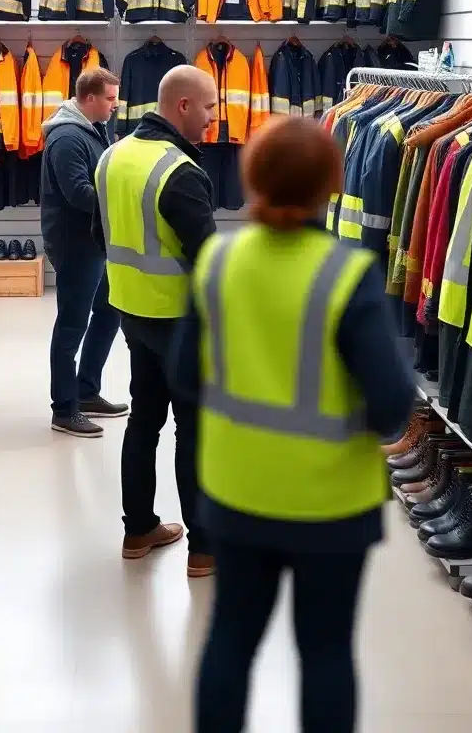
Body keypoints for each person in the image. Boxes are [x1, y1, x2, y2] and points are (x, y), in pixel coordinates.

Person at [172, 116, 416, 733]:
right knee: (326, 652)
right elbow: (392, 403)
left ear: (251, 177)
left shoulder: (218, 262)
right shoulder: (347, 273)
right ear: (331, 184)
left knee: (230, 639)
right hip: (331, 504)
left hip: (237, 493)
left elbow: (184, 375)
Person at [93, 64, 219, 577]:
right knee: (195, 430)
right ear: (182, 105)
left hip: (131, 310)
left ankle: (138, 530)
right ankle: (205, 548)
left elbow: (103, 234)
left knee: (144, 420)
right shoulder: (178, 171)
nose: (213, 118)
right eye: (209, 107)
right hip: (179, 319)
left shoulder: (113, 155)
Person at [41, 67, 126, 438]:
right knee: (72, 325)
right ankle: (64, 409)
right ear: (89, 97)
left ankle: (87, 392)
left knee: (109, 311)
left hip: (94, 241)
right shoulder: (66, 138)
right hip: (76, 245)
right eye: (110, 98)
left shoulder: (92, 129)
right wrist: (122, 207)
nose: (115, 105)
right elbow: (78, 193)